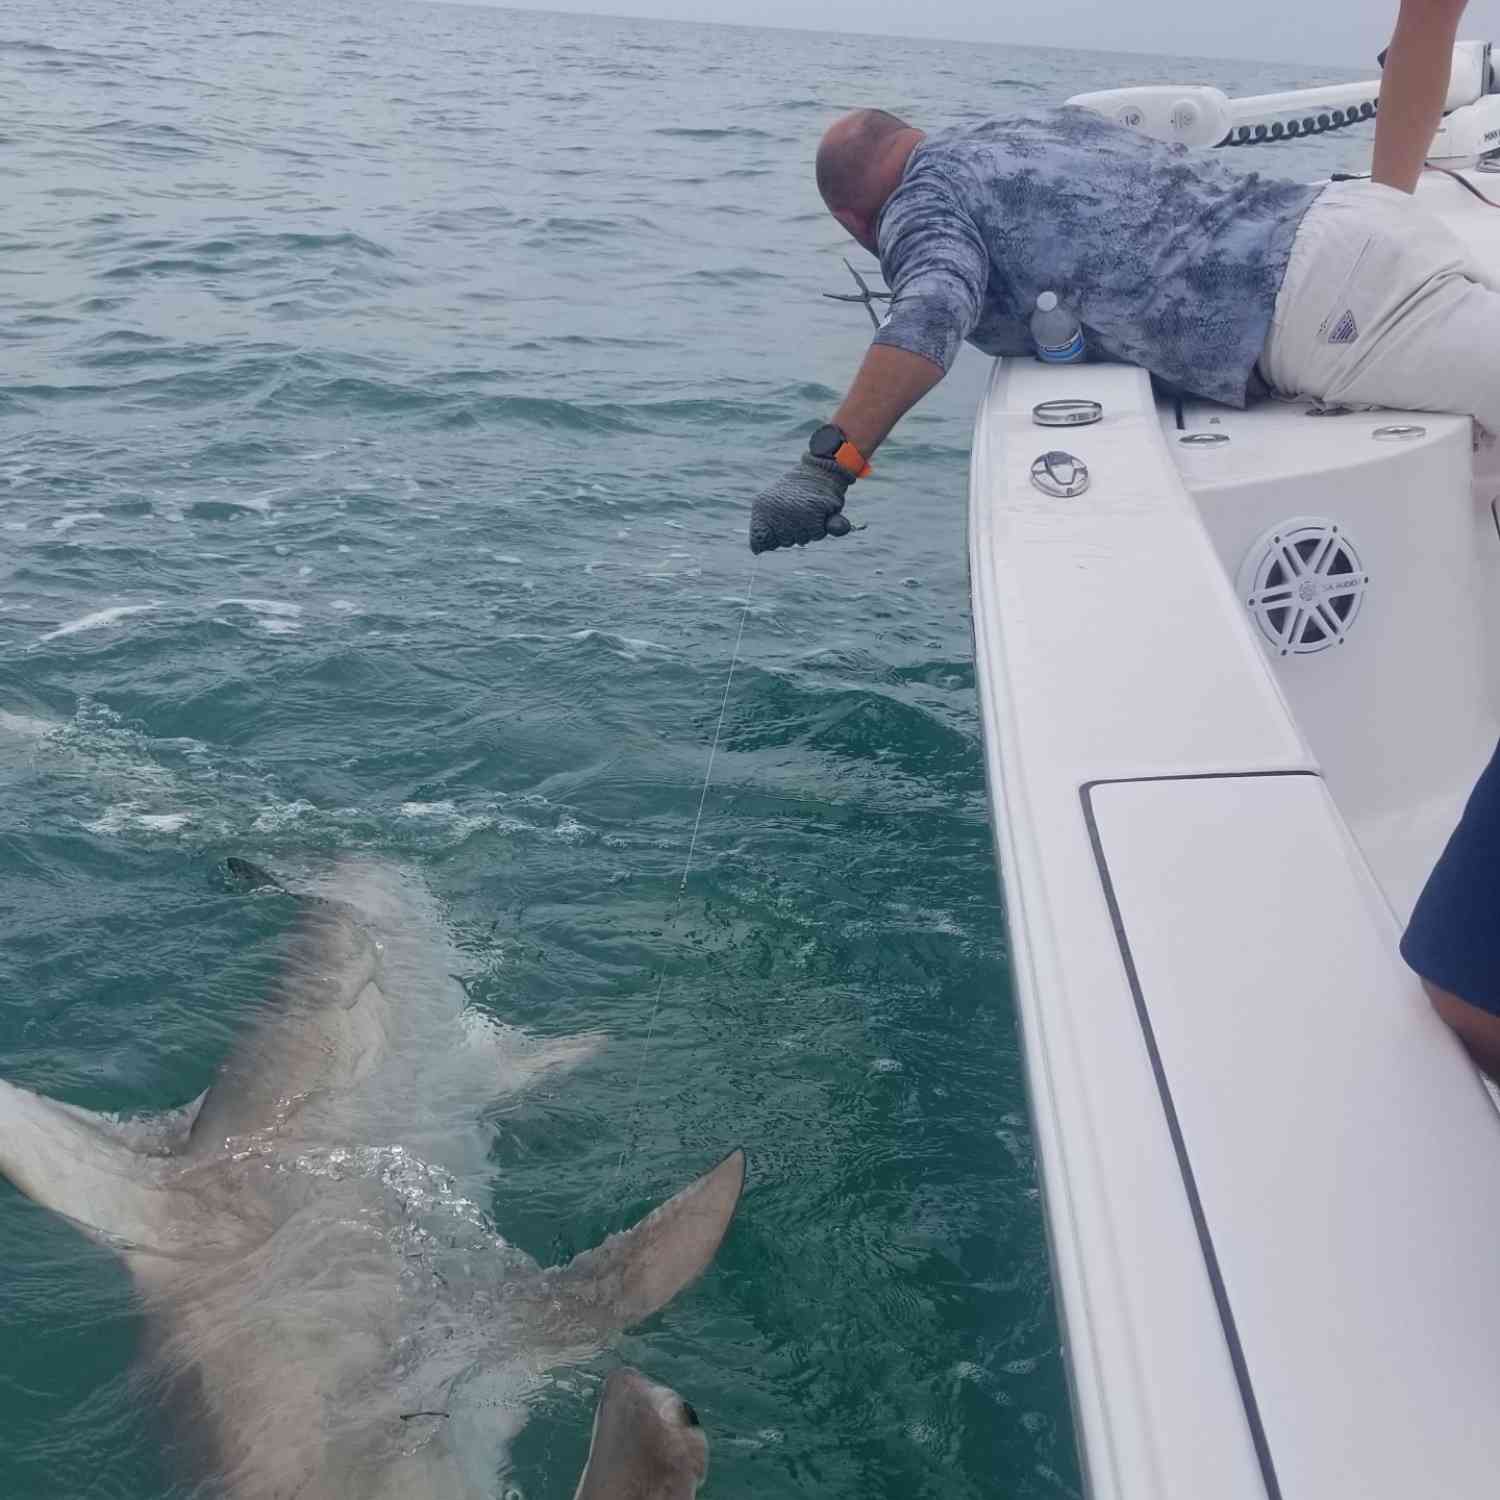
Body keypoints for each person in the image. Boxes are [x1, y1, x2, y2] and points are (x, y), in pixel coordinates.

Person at [748, 11, 1499, 559]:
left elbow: (933, 307)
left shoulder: (920, 204)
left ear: (854, 221)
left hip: (1330, 305)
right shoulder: (1021, 128)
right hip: (1352, 216)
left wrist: (827, 468)